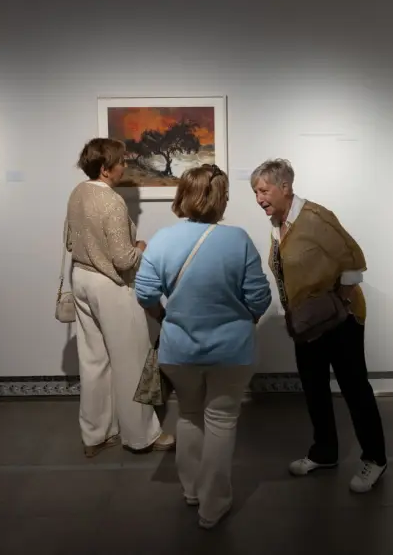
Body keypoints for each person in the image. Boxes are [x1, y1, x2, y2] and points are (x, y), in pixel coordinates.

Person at [135, 164, 272, 530]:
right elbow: (259, 297)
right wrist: (246, 321)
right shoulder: (237, 239)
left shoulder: (162, 239)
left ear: (183, 194)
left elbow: (145, 293)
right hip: (231, 351)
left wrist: (167, 319)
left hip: (179, 351)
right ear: (220, 198)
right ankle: (213, 505)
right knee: (221, 421)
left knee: (189, 416)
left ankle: (192, 490)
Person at [250, 158, 387, 493]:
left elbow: (354, 263)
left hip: (341, 320)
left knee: (355, 389)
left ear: (285, 187)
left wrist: (336, 305)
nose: (258, 198)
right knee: (313, 387)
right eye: (255, 192)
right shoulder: (277, 222)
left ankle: (376, 458)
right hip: (306, 321)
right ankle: (324, 451)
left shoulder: (315, 218)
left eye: (263, 190)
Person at [65, 138, 175, 457]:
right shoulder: (112, 202)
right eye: (120, 161)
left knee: (93, 360)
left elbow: (70, 241)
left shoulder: (78, 192)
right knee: (132, 361)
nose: (124, 166)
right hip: (109, 284)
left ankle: (96, 434)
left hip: (81, 278)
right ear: (105, 168)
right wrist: (141, 248)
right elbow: (124, 260)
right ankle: (141, 436)